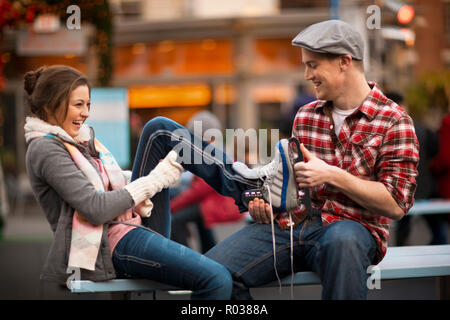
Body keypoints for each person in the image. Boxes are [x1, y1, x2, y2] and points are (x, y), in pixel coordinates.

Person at [206, 20, 419, 299]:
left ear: (344, 61)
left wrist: (332, 175)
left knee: (342, 242)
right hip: (292, 228)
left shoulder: (394, 121)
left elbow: (396, 204)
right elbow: (293, 193)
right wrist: (270, 207)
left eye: (314, 65)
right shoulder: (305, 116)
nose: (307, 75)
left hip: (351, 229)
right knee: (209, 272)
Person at [23, 65, 262, 300]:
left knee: (158, 129)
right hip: (108, 243)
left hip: (131, 223)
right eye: (78, 104)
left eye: (88, 105)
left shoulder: (78, 140)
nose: (86, 113)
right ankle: (250, 190)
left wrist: (142, 180)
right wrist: (155, 179)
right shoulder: (44, 147)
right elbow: (95, 208)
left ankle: (249, 187)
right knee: (216, 278)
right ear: (49, 105)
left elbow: (103, 184)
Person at [170, 111, 244, 253]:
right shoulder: (216, 150)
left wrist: (172, 206)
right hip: (216, 201)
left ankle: (185, 258)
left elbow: (199, 190)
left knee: (175, 219)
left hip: (220, 204)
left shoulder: (213, 153)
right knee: (201, 227)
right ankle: (204, 256)